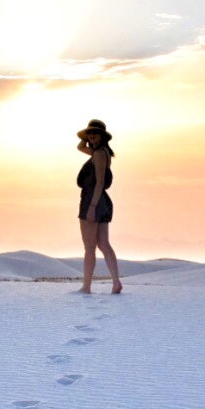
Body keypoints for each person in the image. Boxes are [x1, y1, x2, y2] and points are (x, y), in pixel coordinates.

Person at [76, 119, 122, 294]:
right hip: (101, 201)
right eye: (89, 133)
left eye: (95, 132)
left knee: (90, 248)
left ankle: (86, 287)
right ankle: (116, 282)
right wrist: (86, 137)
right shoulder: (99, 152)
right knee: (103, 243)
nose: (91, 135)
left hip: (93, 200)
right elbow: (80, 147)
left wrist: (92, 206)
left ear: (103, 135)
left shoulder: (100, 154)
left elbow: (100, 182)